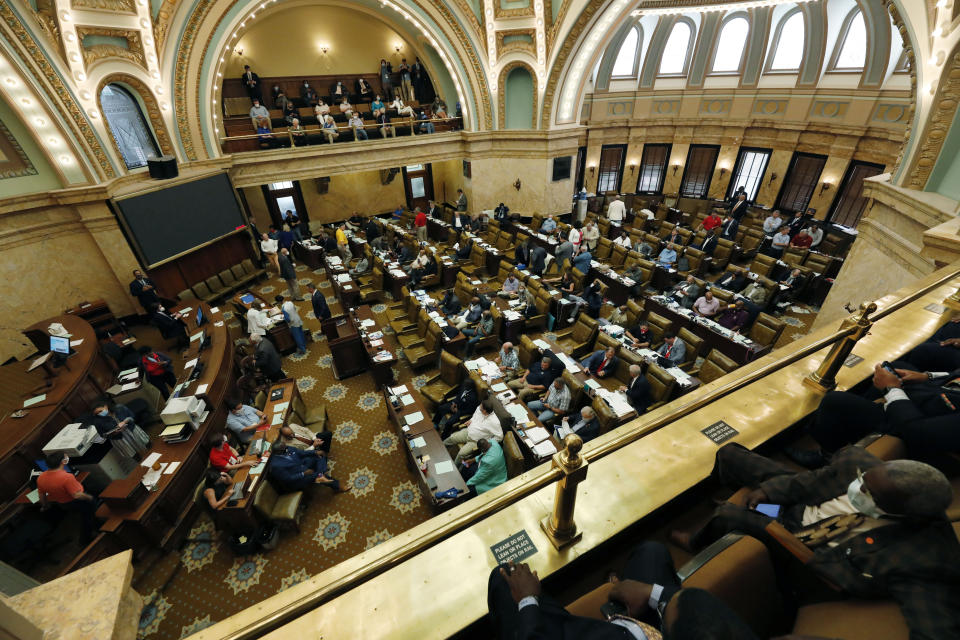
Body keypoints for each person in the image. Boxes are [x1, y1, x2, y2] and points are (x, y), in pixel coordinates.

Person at [669, 443, 960, 640]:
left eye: (868, 492)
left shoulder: (926, 557)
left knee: (730, 515)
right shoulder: (858, 465)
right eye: (862, 480)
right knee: (730, 453)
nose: (856, 487)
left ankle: (698, 540)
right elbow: (810, 481)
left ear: (903, 512)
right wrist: (770, 491)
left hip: (806, 549)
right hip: (803, 503)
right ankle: (729, 501)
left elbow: (938, 630)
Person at [488, 541, 761, 640]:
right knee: (652, 551)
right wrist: (655, 594)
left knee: (503, 578)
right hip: (648, 625)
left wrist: (527, 600)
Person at [795, 363, 960, 465]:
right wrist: (926, 377)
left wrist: (891, 389)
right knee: (897, 366)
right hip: (942, 397)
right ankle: (856, 425)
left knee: (834, 402)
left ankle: (828, 456)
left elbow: (918, 431)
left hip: (924, 428)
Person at [37, 452, 98, 542]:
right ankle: (85, 539)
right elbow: (77, 495)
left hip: (63, 504)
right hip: (76, 502)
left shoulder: (41, 477)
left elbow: (41, 495)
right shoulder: (67, 477)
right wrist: (90, 498)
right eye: (66, 458)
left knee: (85, 514)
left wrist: (45, 506)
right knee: (88, 515)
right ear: (63, 462)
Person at [268, 442, 345, 492]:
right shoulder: (276, 465)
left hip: (301, 465)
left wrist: (315, 452)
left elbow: (301, 453)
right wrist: (303, 473)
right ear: (278, 452)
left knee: (318, 456)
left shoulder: (286, 448)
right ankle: (337, 485)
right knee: (314, 475)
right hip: (296, 481)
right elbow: (288, 479)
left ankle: (321, 474)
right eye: (285, 449)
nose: (287, 449)